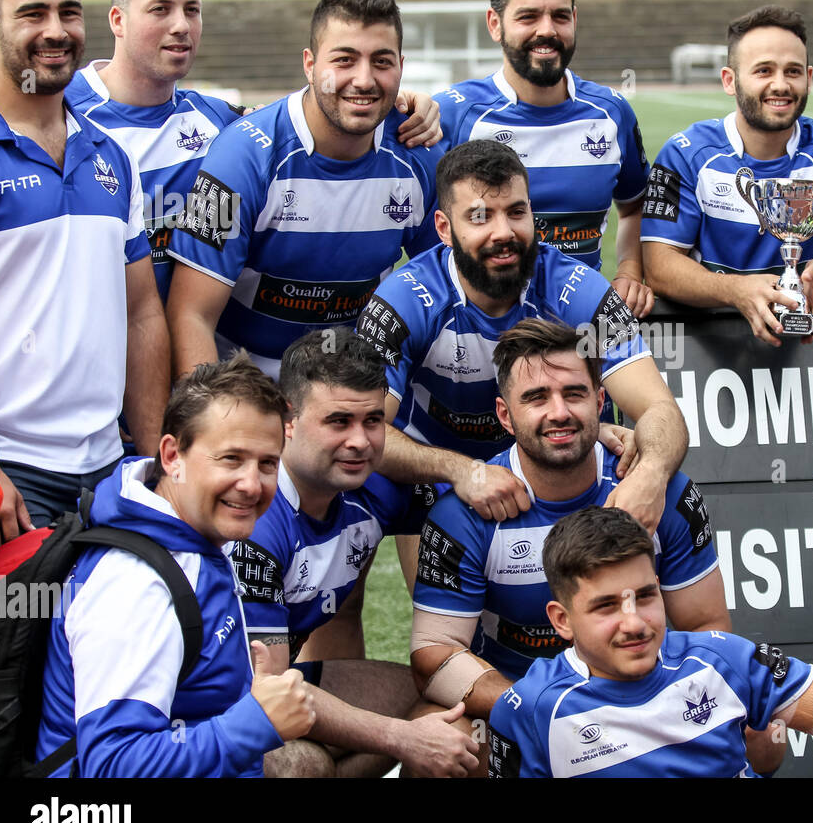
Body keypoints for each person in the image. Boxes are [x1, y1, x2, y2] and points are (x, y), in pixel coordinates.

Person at [488, 506, 813, 778]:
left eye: (645, 596)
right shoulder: (531, 710)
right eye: (606, 606)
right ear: (561, 619)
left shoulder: (716, 656)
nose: (635, 622)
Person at [66, 0, 444, 303]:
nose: (181, 25)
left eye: (192, 9)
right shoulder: (62, 116)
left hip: (182, 349)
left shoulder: (222, 124)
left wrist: (402, 101)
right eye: (160, 9)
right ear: (118, 19)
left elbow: (310, 113)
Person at [355, 139, 687, 544]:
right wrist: (463, 471)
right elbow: (365, 429)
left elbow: (659, 407)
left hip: (542, 457)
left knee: (658, 472)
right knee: (351, 480)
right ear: (444, 228)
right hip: (433, 466)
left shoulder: (579, 290)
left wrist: (651, 475)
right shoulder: (401, 301)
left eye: (516, 212)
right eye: (480, 217)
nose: (503, 232)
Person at [411, 318, 722, 722]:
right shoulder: (463, 514)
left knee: (761, 734)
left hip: (646, 700)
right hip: (523, 704)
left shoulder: (663, 492)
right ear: (505, 415)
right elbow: (435, 654)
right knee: (442, 739)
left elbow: (706, 625)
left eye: (574, 394)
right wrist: (545, 711)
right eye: (537, 398)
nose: (559, 413)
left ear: (598, 402)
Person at [36, 354, 313, 777]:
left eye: (267, 464)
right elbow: (113, 765)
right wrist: (254, 721)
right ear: (171, 455)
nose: (252, 484)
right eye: (231, 459)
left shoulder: (188, 539)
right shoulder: (134, 583)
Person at [0, 0, 169, 537]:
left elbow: (141, 314)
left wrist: (148, 463)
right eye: (31, 13)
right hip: (9, 469)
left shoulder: (108, 152)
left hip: (108, 469)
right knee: (9, 631)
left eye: (67, 11)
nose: (55, 30)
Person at [233, 329, 478, 777]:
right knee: (303, 767)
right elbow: (270, 690)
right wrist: (401, 739)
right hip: (208, 704)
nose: (361, 442)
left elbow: (480, 503)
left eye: (372, 421)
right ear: (286, 418)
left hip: (279, 682)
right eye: (338, 421)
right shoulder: (254, 519)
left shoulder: (371, 486)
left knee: (441, 703)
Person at [167, 0, 442, 378]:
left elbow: (444, 288)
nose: (364, 80)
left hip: (353, 384)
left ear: (402, 66)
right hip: (246, 380)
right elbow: (189, 314)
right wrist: (217, 422)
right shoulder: (238, 156)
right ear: (310, 65)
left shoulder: (421, 152)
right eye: (344, 60)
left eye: (381, 61)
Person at [641, 5, 813, 347]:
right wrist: (735, 291)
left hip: (810, 356)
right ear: (730, 80)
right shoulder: (684, 154)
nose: (780, 85)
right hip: (709, 354)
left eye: (793, 71)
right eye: (763, 71)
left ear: (809, 77)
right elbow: (659, 268)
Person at [435, 0, 654, 317]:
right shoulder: (453, 115)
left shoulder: (612, 113)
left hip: (579, 326)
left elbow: (634, 205)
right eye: (528, 16)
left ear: (574, 20)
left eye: (560, 15)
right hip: (478, 331)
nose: (547, 30)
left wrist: (630, 269)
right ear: (495, 24)